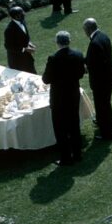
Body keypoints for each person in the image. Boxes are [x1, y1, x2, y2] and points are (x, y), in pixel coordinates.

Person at [41, 30, 85, 166]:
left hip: (59, 99)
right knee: (74, 125)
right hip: (73, 95)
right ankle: (77, 154)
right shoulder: (78, 55)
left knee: (60, 129)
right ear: (69, 41)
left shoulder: (53, 58)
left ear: (57, 42)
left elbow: (46, 79)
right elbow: (81, 74)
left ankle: (66, 158)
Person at [82, 18, 112, 141]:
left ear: (87, 30)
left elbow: (94, 64)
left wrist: (86, 67)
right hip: (109, 78)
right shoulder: (104, 36)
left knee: (103, 107)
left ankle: (108, 133)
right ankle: (104, 124)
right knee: (104, 105)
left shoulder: (94, 43)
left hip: (101, 82)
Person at [3, 6, 36, 73]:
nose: (24, 14)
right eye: (22, 13)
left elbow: (25, 36)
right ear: (16, 16)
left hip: (27, 59)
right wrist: (25, 49)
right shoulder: (9, 30)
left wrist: (29, 43)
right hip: (17, 62)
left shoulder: (22, 21)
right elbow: (8, 47)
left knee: (33, 76)